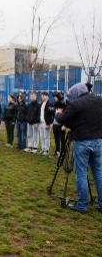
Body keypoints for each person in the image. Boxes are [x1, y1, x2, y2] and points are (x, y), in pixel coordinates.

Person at [55, 82, 102, 214]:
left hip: (82, 142)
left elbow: (62, 119)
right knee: (98, 173)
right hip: (98, 141)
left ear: (77, 93)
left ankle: (82, 205)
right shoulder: (99, 100)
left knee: (81, 173)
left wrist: (58, 113)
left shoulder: (76, 104)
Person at [38, 92, 55, 156]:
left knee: (46, 136)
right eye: (41, 96)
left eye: (43, 96)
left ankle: (46, 149)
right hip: (41, 122)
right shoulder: (41, 104)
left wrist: (49, 123)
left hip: (46, 123)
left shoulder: (50, 104)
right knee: (42, 136)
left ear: (47, 96)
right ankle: (43, 149)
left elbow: (51, 115)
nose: (42, 97)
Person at [51, 92, 66, 158]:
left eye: (56, 97)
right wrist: (52, 123)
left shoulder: (63, 105)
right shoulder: (55, 104)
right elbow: (53, 114)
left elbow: (66, 115)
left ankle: (63, 153)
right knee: (56, 139)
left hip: (61, 124)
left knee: (62, 139)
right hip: (55, 124)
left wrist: (64, 125)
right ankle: (57, 151)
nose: (54, 98)